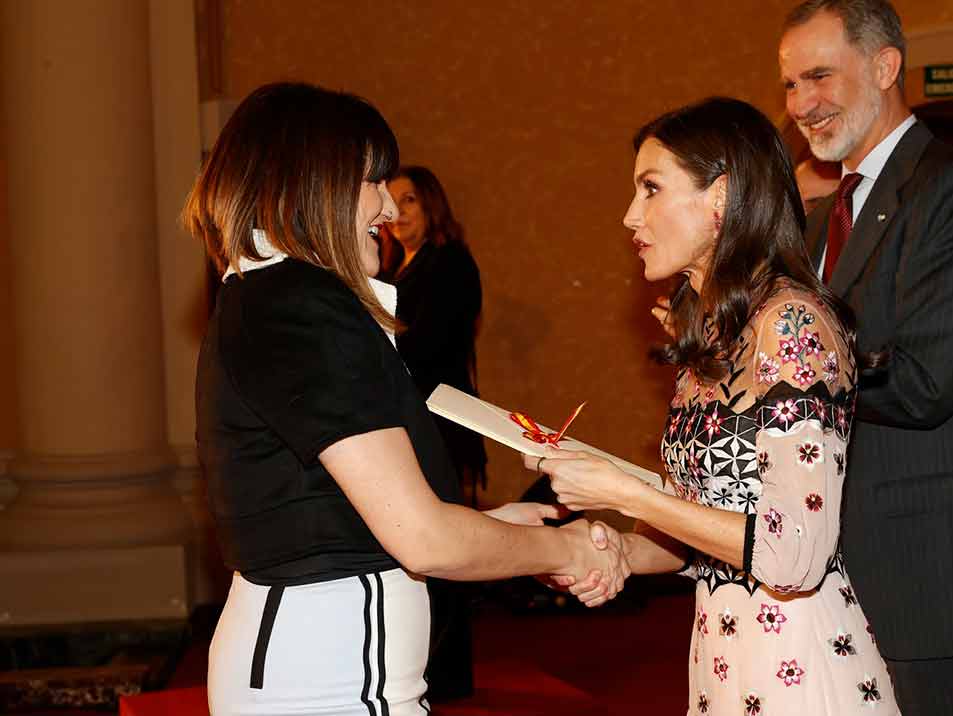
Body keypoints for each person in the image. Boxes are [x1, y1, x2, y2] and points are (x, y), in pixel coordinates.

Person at [185, 82, 625, 716]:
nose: (389, 208)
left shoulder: (270, 295)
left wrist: (497, 527)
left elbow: (333, 510)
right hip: (328, 678)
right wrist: (568, 550)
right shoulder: (298, 304)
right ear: (316, 181)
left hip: (318, 662)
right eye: (373, 180)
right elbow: (424, 539)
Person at [530, 97, 899, 714]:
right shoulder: (717, 334)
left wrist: (624, 491)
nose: (629, 216)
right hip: (726, 667)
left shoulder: (791, 327)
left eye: (651, 188)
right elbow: (697, 529)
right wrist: (611, 549)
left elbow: (794, 558)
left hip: (801, 675)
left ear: (721, 196)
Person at [779, 1, 953, 712]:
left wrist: (786, 360)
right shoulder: (820, 219)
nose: (803, 103)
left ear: (886, 66)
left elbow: (926, 383)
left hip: (937, 588)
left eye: (819, 76)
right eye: (791, 85)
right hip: (833, 581)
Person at [382, 166, 487, 700]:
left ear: (432, 208)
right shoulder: (399, 267)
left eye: (411, 202)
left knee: (443, 550)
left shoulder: (449, 264)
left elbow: (426, 346)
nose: (398, 214)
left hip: (441, 421)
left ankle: (445, 677)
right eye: (392, 202)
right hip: (416, 420)